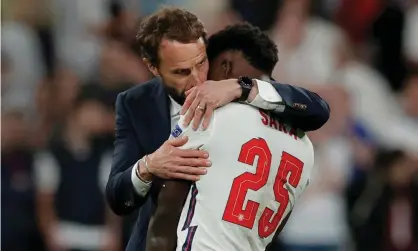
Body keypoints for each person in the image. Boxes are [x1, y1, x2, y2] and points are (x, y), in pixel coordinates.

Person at [105, 7, 329, 251]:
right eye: (180, 69)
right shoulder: (136, 103)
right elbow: (119, 196)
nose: (196, 76)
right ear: (155, 68)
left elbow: (318, 109)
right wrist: (147, 167)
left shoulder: (224, 106)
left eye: (201, 62)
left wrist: (241, 87)